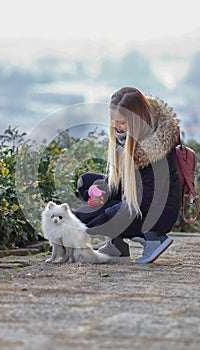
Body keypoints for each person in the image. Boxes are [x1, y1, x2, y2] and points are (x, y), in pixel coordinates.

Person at [75, 86, 181, 264]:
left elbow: (147, 199)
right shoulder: (124, 136)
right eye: (113, 120)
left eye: (122, 122)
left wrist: (106, 217)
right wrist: (104, 190)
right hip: (136, 198)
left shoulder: (156, 148)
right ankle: (117, 246)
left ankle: (153, 239)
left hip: (157, 213)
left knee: (96, 218)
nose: (116, 126)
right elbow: (126, 184)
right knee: (86, 183)